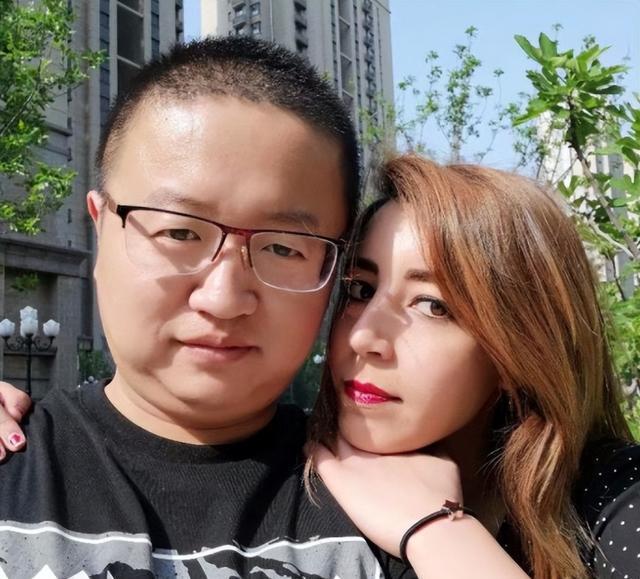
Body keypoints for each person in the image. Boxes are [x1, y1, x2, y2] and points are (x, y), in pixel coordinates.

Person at [0, 36, 410, 578]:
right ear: (100, 230)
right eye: (178, 232)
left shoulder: (392, 506)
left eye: (283, 248)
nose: (223, 299)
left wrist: (439, 528)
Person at [306, 155, 640, 578]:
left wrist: (440, 533)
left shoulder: (618, 497)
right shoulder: (281, 482)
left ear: (518, 349)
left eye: (433, 305)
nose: (363, 337)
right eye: (361, 290)